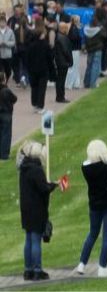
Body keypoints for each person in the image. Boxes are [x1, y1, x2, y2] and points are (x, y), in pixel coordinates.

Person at [75, 139, 107, 277]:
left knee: (92, 234)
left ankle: (81, 264)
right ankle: (102, 268)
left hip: (94, 205)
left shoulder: (85, 167)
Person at [18, 141, 61, 281]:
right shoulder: (36, 170)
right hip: (36, 208)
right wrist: (53, 185)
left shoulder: (24, 168)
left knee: (29, 238)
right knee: (36, 239)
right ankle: (37, 270)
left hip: (26, 207)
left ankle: (28, 269)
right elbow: (43, 188)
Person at [0, 74, 16, 159]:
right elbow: (14, 98)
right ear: (4, 80)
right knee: (6, 134)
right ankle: (4, 154)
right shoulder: (6, 90)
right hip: (6, 113)